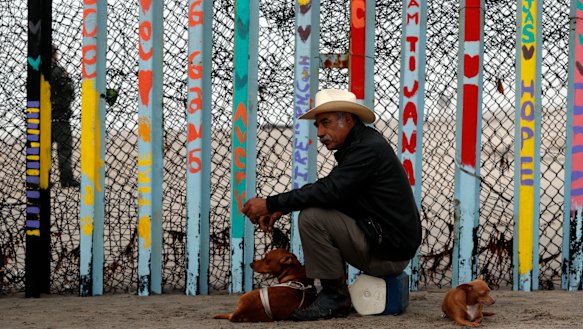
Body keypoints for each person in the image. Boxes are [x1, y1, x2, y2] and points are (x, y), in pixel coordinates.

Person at [242, 89, 422, 321]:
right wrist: (280, 207)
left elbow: (330, 190)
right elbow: (330, 189)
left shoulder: (367, 149)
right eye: (317, 126)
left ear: (347, 119)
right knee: (317, 207)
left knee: (311, 217)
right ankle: (333, 295)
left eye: (325, 123)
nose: (320, 133)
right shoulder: (361, 144)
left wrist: (271, 203)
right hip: (386, 245)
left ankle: (334, 298)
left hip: (388, 254)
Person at [51, 45, 79, 188]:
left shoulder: (35, 71)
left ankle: (41, 178)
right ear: (54, 54)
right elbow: (70, 91)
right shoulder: (59, 71)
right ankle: (66, 179)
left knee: (41, 150)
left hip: (41, 117)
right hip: (60, 117)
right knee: (64, 149)